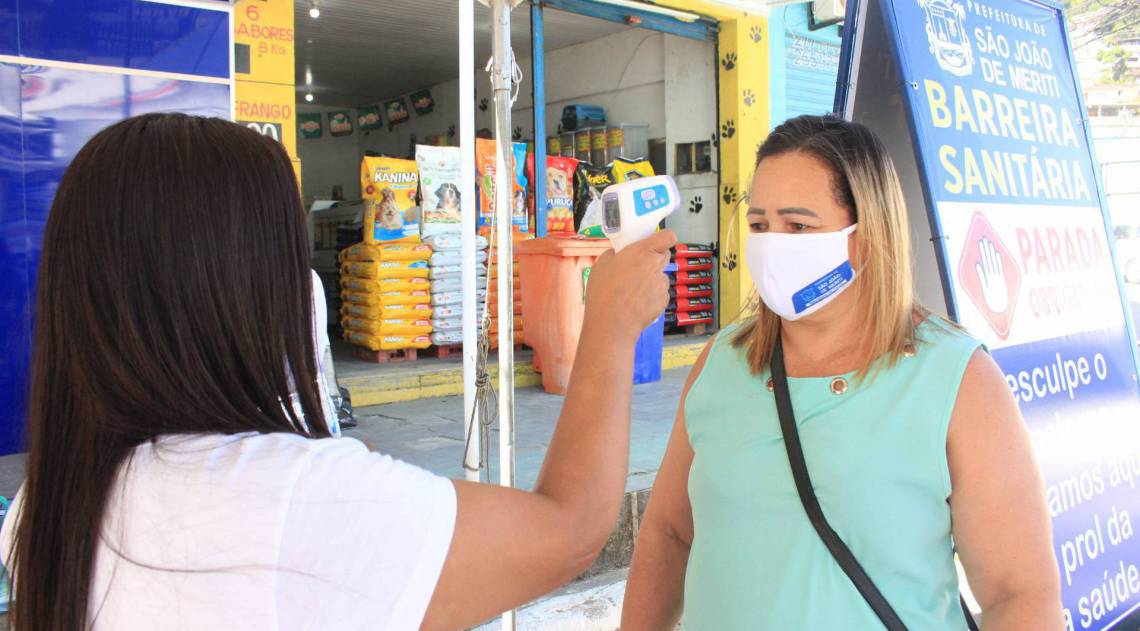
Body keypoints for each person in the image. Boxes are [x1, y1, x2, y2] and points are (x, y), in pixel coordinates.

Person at [0, 113, 676, 630]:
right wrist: (611, 330)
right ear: (241, 287)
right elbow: (571, 530)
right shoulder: (295, 497)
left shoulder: (47, 503)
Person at [621, 115, 1063, 630]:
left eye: (799, 226)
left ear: (867, 237)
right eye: (760, 224)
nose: (772, 244)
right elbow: (670, 535)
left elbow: (1020, 594)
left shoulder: (955, 379)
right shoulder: (720, 362)